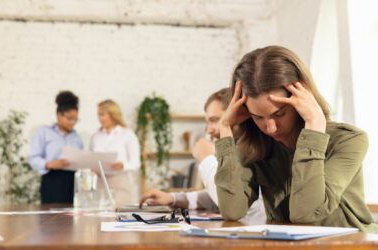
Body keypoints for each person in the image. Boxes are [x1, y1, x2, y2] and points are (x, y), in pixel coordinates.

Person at [215, 45, 378, 232]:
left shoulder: (349, 140)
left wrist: (314, 128)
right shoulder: (254, 145)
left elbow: (306, 213)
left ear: (302, 97)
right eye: (258, 117)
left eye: (279, 114)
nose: (270, 128)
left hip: (353, 245)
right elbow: (232, 210)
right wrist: (225, 130)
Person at [140, 88, 266, 224]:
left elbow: (233, 204)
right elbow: (224, 192)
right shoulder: (238, 149)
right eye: (208, 122)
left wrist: (206, 159)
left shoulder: (256, 152)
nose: (209, 130)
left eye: (215, 120)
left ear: (240, 114)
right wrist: (173, 198)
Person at [29, 91, 83, 203]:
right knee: (51, 218)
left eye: (75, 119)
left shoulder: (76, 137)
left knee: (73, 218)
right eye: (70, 118)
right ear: (59, 115)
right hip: (52, 181)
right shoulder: (44, 132)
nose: (73, 122)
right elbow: (33, 159)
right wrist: (50, 164)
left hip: (73, 182)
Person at [90, 99, 140, 206]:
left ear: (112, 114)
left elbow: (136, 162)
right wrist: (93, 168)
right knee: (98, 219)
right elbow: (92, 158)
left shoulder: (127, 134)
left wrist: (123, 165)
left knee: (117, 218)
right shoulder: (96, 136)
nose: (99, 118)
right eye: (98, 115)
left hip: (119, 183)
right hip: (100, 184)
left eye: (102, 114)